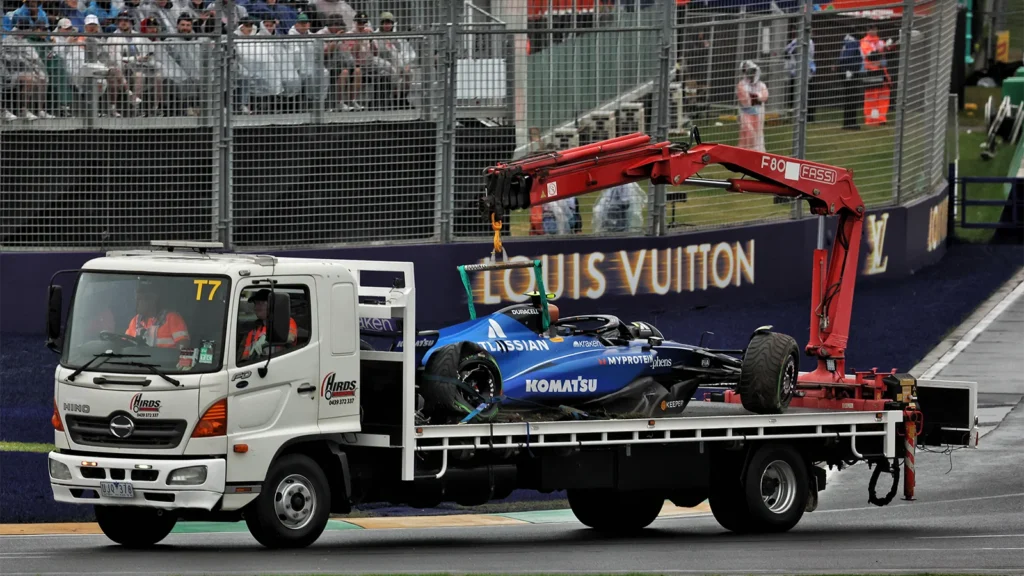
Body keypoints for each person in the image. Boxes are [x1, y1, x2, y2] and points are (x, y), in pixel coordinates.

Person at [125, 281, 190, 349]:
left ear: (152, 300)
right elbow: (126, 343)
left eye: (140, 299)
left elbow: (184, 345)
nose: (136, 303)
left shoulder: (172, 318)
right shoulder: (135, 321)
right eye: (136, 299)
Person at [239, 289, 297, 362]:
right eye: (256, 303)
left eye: (261, 303)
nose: (256, 307)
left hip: (278, 365)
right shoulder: (254, 329)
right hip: (255, 367)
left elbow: (291, 337)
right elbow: (245, 354)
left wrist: (268, 339)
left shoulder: (286, 321)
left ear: (272, 305)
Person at [860, 24, 892, 126]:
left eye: (876, 28)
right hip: (871, 72)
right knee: (871, 97)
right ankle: (871, 119)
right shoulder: (865, 41)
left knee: (883, 96)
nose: (874, 31)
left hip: (883, 72)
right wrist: (881, 50)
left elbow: (887, 56)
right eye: (872, 29)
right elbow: (870, 56)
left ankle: (881, 118)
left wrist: (888, 48)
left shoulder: (880, 41)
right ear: (868, 30)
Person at [736, 60, 768, 152]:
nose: (751, 74)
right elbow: (744, 99)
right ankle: (744, 151)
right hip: (746, 112)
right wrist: (755, 97)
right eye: (749, 72)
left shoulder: (761, 85)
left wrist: (756, 97)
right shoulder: (742, 84)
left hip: (759, 112)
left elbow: (764, 96)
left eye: (753, 72)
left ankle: (759, 151)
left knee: (758, 132)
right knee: (747, 130)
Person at [838, 30, 864, 130]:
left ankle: (848, 122)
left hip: (847, 71)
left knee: (849, 97)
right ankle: (850, 123)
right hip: (850, 71)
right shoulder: (853, 42)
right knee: (852, 97)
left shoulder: (848, 41)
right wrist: (849, 69)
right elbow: (847, 57)